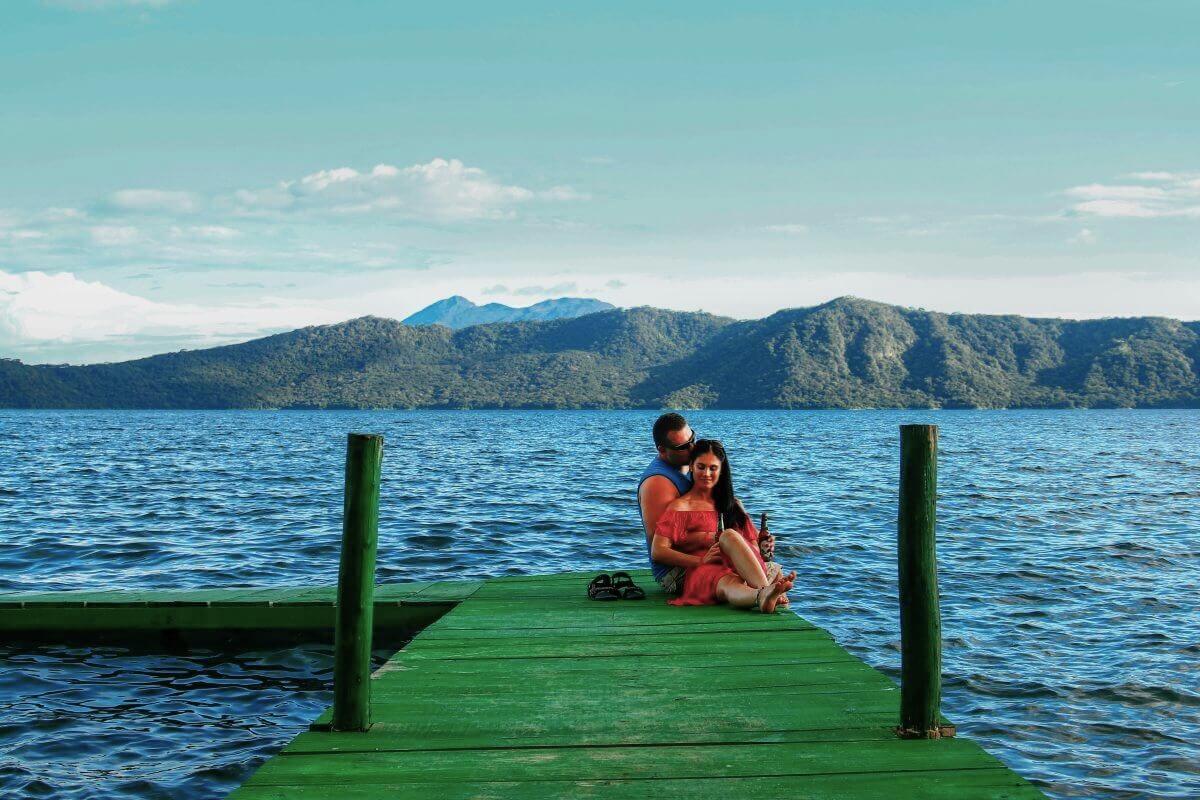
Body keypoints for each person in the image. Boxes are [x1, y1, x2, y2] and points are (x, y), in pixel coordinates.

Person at [637, 413, 778, 594]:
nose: (693, 447)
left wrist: (754, 539)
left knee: (736, 508)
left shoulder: (689, 466)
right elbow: (662, 544)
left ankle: (764, 590)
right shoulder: (658, 483)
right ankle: (764, 592)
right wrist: (720, 540)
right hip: (677, 571)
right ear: (662, 450)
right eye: (683, 446)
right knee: (740, 569)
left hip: (706, 554)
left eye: (693, 438)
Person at [651, 439, 795, 612]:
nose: (706, 473)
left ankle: (764, 594)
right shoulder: (681, 507)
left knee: (731, 540)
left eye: (713, 468)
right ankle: (765, 593)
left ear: (721, 470)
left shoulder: (733, 505)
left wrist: (764, 547)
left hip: (740, 568)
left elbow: (754, 548)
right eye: (701, 467)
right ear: (691, 466)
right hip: (705, 569)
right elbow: (658, 551)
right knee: (728, 574)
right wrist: (700, 560)